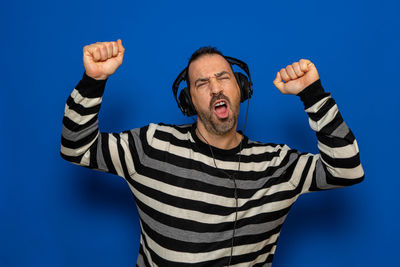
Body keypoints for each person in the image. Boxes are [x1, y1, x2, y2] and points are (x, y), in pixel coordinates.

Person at [60, 39, 364, 266]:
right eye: (202, 83)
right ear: (189, 102)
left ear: (241, 88)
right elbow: (77, 147)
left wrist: (312, 93)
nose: (215, 88)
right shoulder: (153, 146)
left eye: (223, 77)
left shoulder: (276, 165)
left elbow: (346, 169)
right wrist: (94, 80)